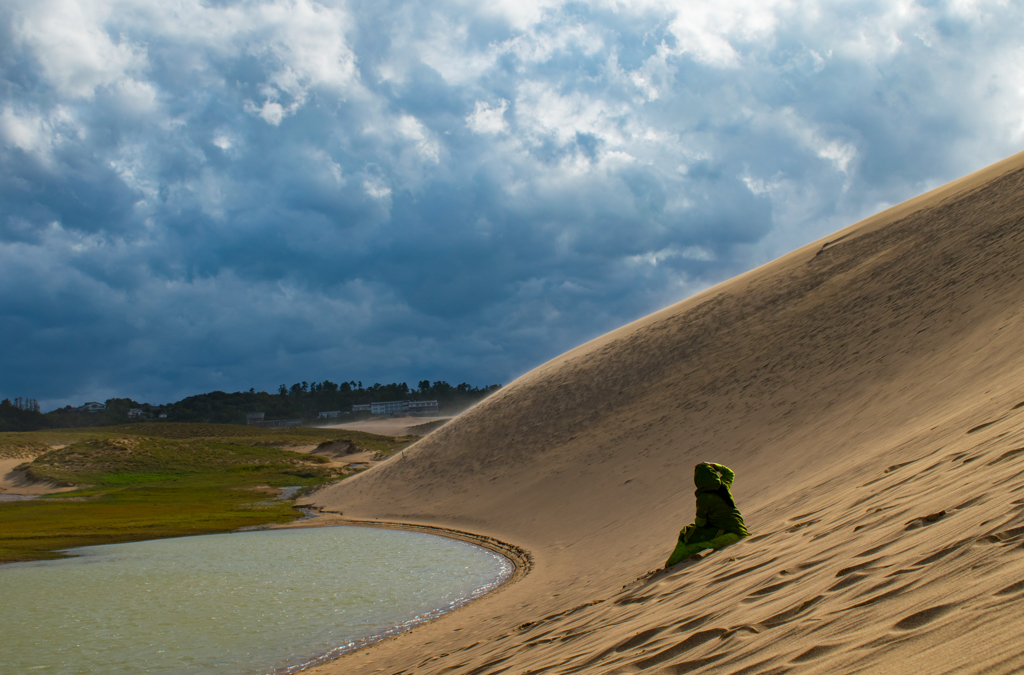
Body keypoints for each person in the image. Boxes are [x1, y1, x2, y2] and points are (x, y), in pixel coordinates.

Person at [665, 462, 749, 568]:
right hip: (741, 530)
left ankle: (672, 564)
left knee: (687, 535)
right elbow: (729, 473)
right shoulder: (724, 486)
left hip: (729, 536)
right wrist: (714, 465)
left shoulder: (703, 498)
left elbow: (700, 523)